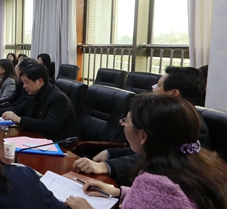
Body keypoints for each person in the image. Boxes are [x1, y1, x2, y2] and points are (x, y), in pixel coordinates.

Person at [65, 94, 227, 209]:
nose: (122, 125)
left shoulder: (162, 188)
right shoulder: (201, 164)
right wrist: (119, 192)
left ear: (143, 136)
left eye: (126, 121)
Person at [73, 66, 211, 185]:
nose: (153, 89)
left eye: (158, 86)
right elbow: (143, 150)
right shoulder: (165, 116)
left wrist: (106, 166)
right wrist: (109, 153)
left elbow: (158, 160)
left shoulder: (191, 126)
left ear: (174, 93)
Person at [0, 64, 79, 142]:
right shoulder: (34, 93)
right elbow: (18, 109)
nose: (24, 86)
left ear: (40, 81)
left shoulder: (58, 98)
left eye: (26, 82)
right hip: (36, 136)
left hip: (57, 142)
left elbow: (50, 125)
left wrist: (20, 120)